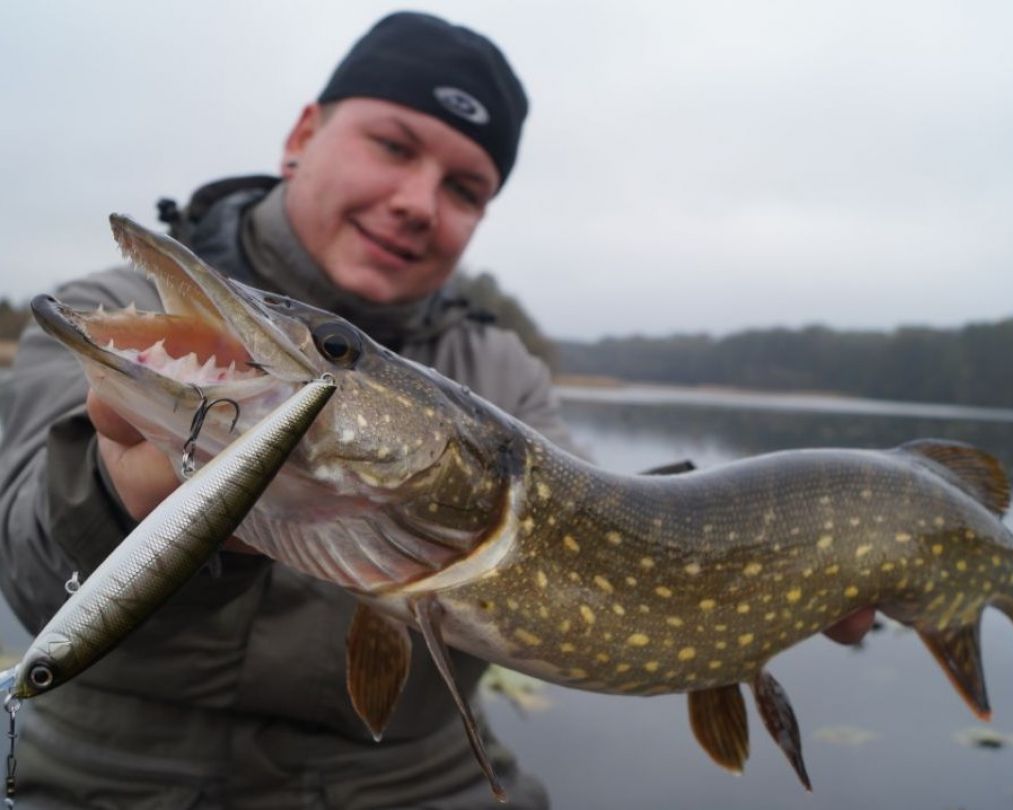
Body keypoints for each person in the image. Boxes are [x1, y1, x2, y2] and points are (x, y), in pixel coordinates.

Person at [0, 11, 873, 808]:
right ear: (303, 135)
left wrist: (765, 570)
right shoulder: (122, 311)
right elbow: (35, 581)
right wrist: (121, 504)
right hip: (118, 773)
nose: (418, 202)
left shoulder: (499, 369)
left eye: (464, 189)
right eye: (393, 146)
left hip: (417, 774)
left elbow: (617, 527)